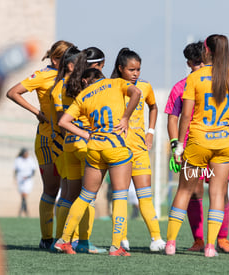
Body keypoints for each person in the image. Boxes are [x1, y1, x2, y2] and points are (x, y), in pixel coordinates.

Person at [165, 34, 229, 257]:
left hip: (198, 141)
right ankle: (211, 246)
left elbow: (186, 115)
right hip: (225, 141)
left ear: (206, 51)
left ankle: (170, 244)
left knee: (184, 190)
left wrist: (179, 145)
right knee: (218, 194)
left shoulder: (195, 78)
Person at [54, 68, 141, 256]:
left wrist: (85, 134)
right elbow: (137, 92)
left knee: (84, 196)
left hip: (94, 148)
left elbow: (64, 122)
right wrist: (125, 117)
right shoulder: (116, 82)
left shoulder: (83, 95)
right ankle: (116, 246)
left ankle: (63, 240)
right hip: (116, 147)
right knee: (120, 196)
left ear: (86, 81)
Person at [6, 40, 73, 249]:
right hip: (47, 140)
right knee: (52, 189)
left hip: (69, 138)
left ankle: (66, 239)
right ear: (56, 59)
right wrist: (38, 113)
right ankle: (46, 239)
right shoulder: (43, 75)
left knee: (71, 189)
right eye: (68, 59)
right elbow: (12, 92)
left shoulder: (74, 76)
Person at [51, 46, 107, 253]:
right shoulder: (92, 86)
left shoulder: (61, 85)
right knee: (88, 196)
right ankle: (83, 242)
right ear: (97, 66)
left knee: (67, 195)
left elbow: (58, 120)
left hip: (68, 144)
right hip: (85, 144)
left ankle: (59, 239)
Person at [110, 48, 166, 252]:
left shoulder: (145, 86)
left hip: (139, 148)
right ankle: (122, 238)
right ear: (120, 68)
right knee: (121, 195)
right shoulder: (111, 87)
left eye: (138, 69)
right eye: (131, 69)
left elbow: (153, 107)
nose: (136, 73)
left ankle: (156, 238)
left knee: (145, 195)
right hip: (119, 149)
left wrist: (150, 131)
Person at [14, 148, 37, 217]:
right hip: (20, 179)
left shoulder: (30, 160)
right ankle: (25, 211)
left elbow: (33, 171)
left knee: (24, 195)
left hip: (28, 180)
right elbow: (15, 170)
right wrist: (15, 178)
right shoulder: (18, 160)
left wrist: (28, 177)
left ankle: (22, 211)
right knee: (23, 195)